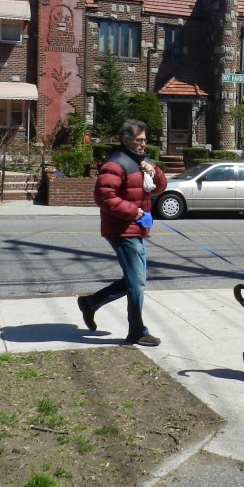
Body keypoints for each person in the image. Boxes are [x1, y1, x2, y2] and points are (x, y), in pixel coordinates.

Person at [77, 119, 167, 346]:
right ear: (124, 139)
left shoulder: (143, 162)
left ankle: (90, 303)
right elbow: (104, 198)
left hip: (136, 227)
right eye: (139, 140)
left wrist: (154, 171)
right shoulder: (115, 164)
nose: (143, 144)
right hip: (122, 229)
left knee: (133, 280)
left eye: (145, 140)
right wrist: (134, 213)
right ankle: (137, 331)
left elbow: (158, 188)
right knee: (137, 282)